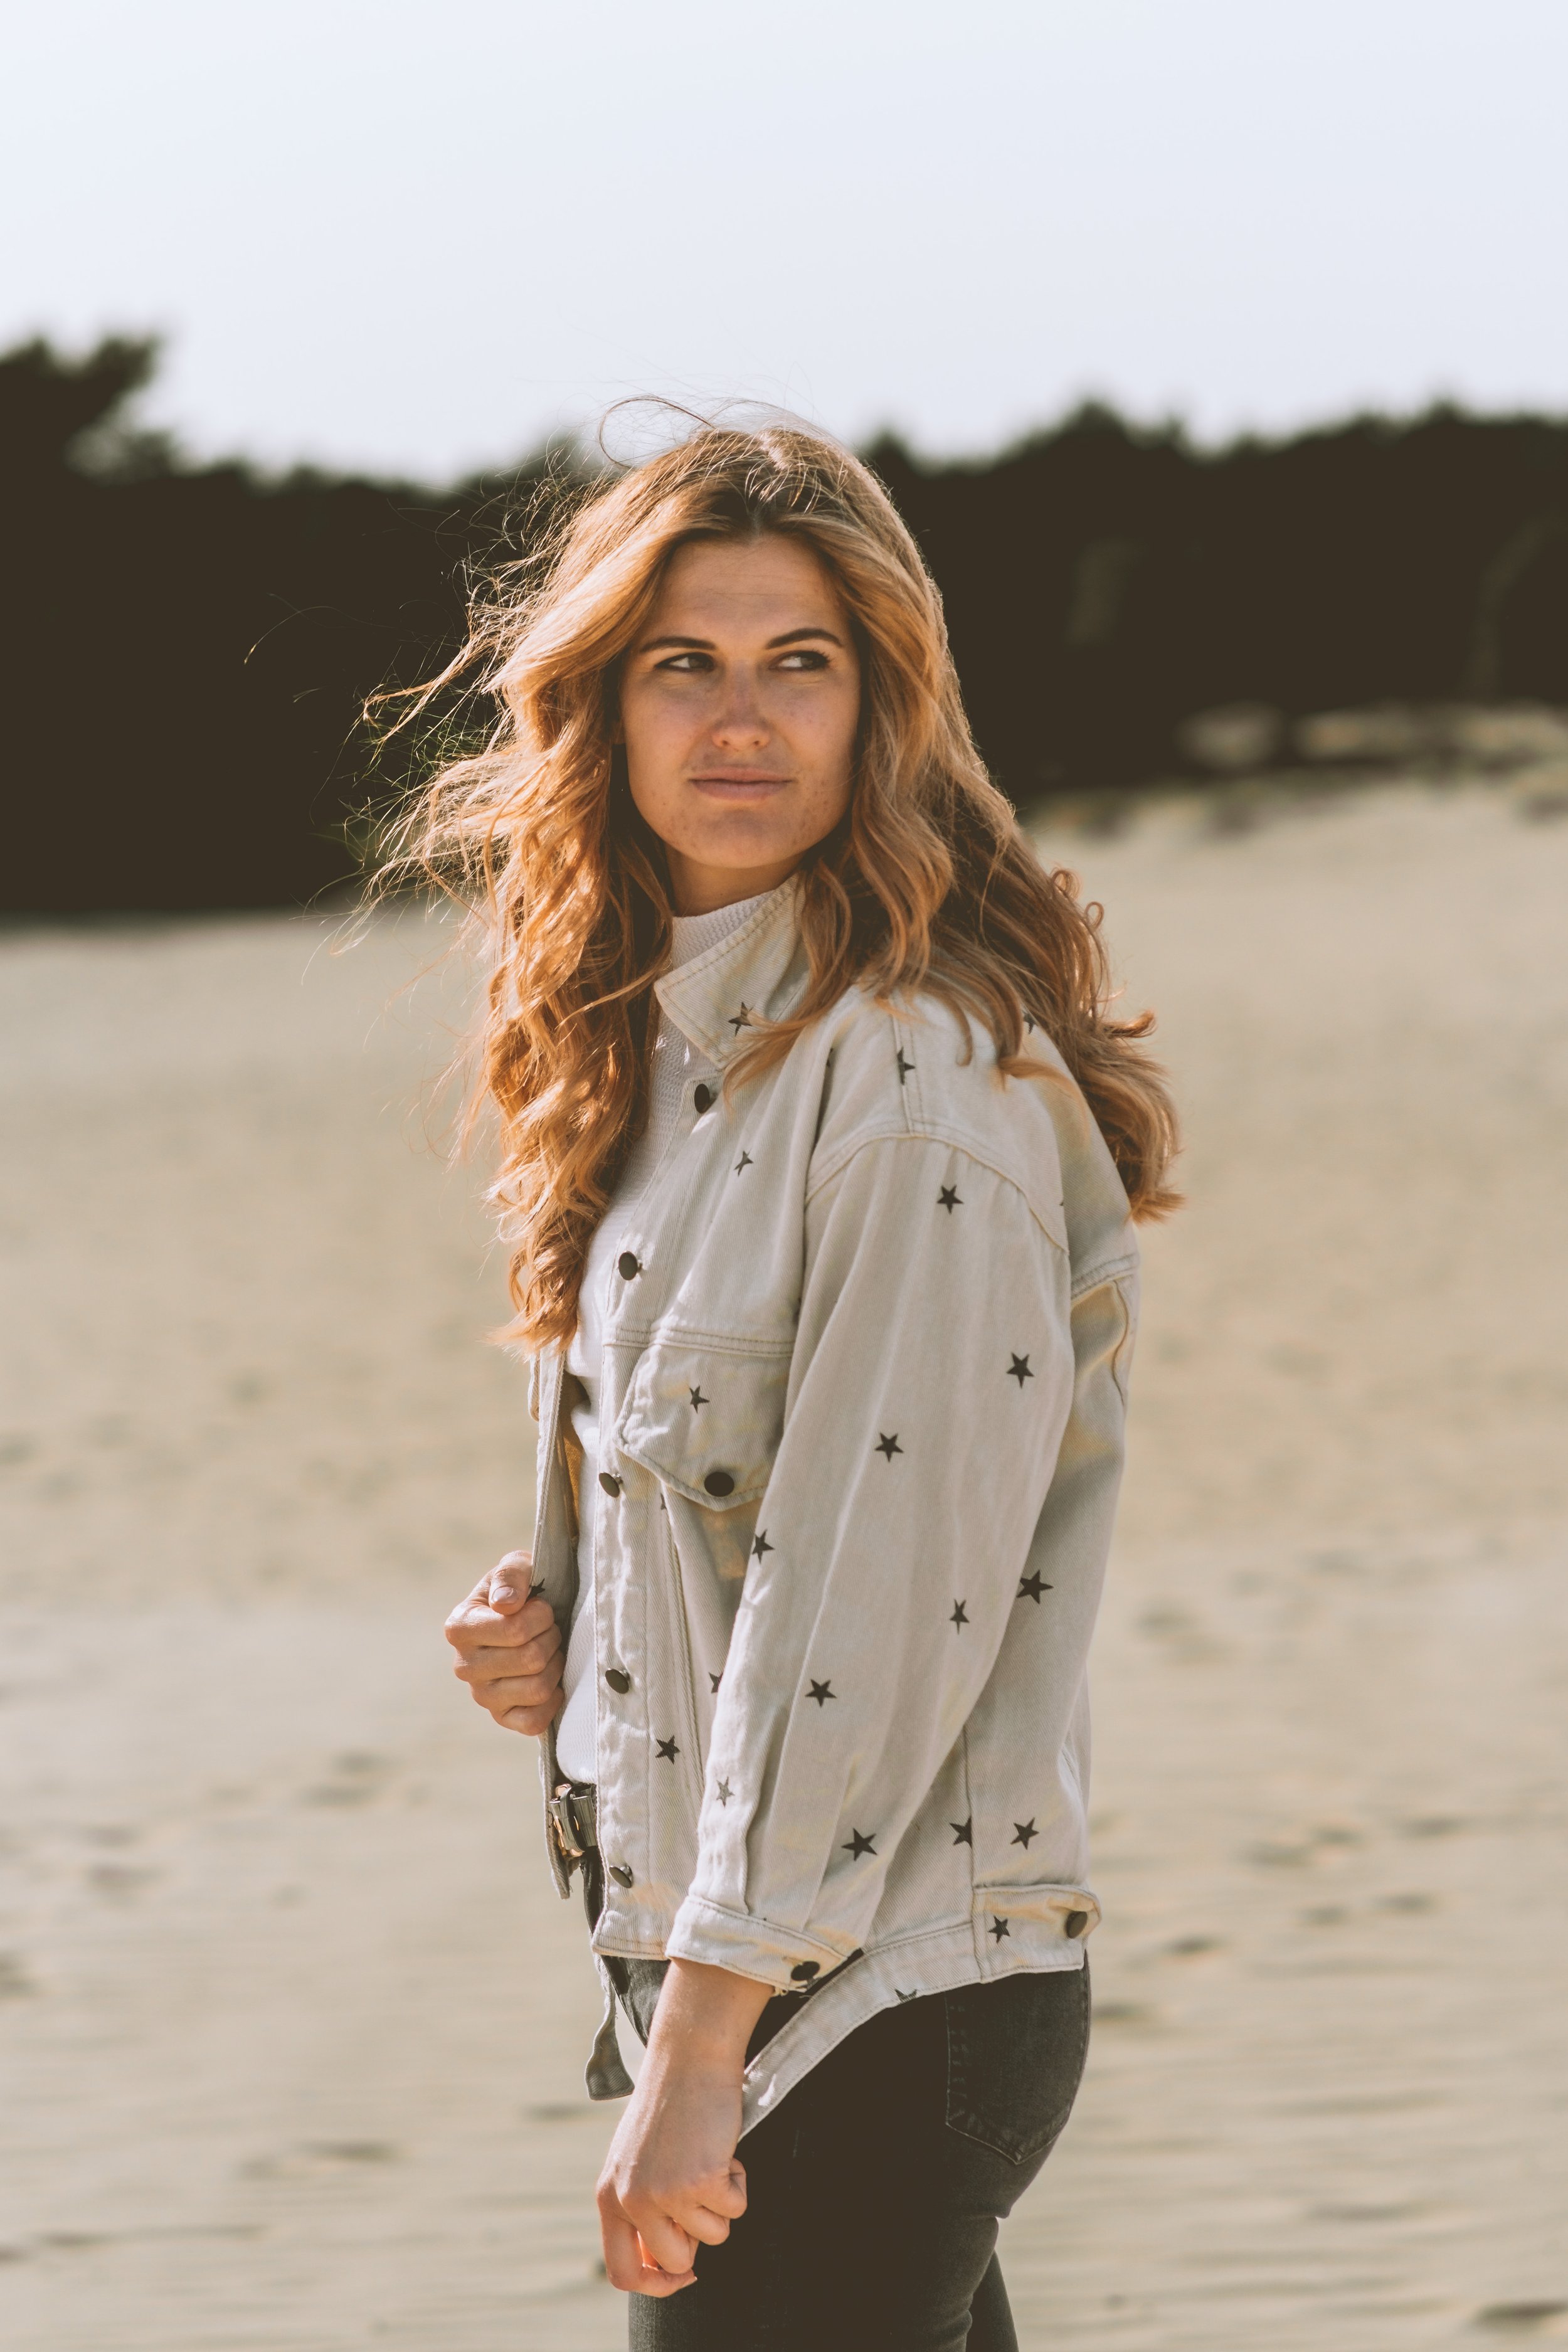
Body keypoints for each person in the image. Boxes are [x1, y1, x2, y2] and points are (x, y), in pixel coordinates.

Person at [430, 421, 1178, 2350]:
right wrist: (573, 1632)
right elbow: (743, 1534)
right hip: (784, 1988)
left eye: (801, 661)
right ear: (599, 707)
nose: (739, 718)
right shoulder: (671, 1065)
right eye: (683, 662)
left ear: (883, 708)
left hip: (871, 2000)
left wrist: (698, 2052)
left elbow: (871, 1602)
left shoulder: (912, 1085)